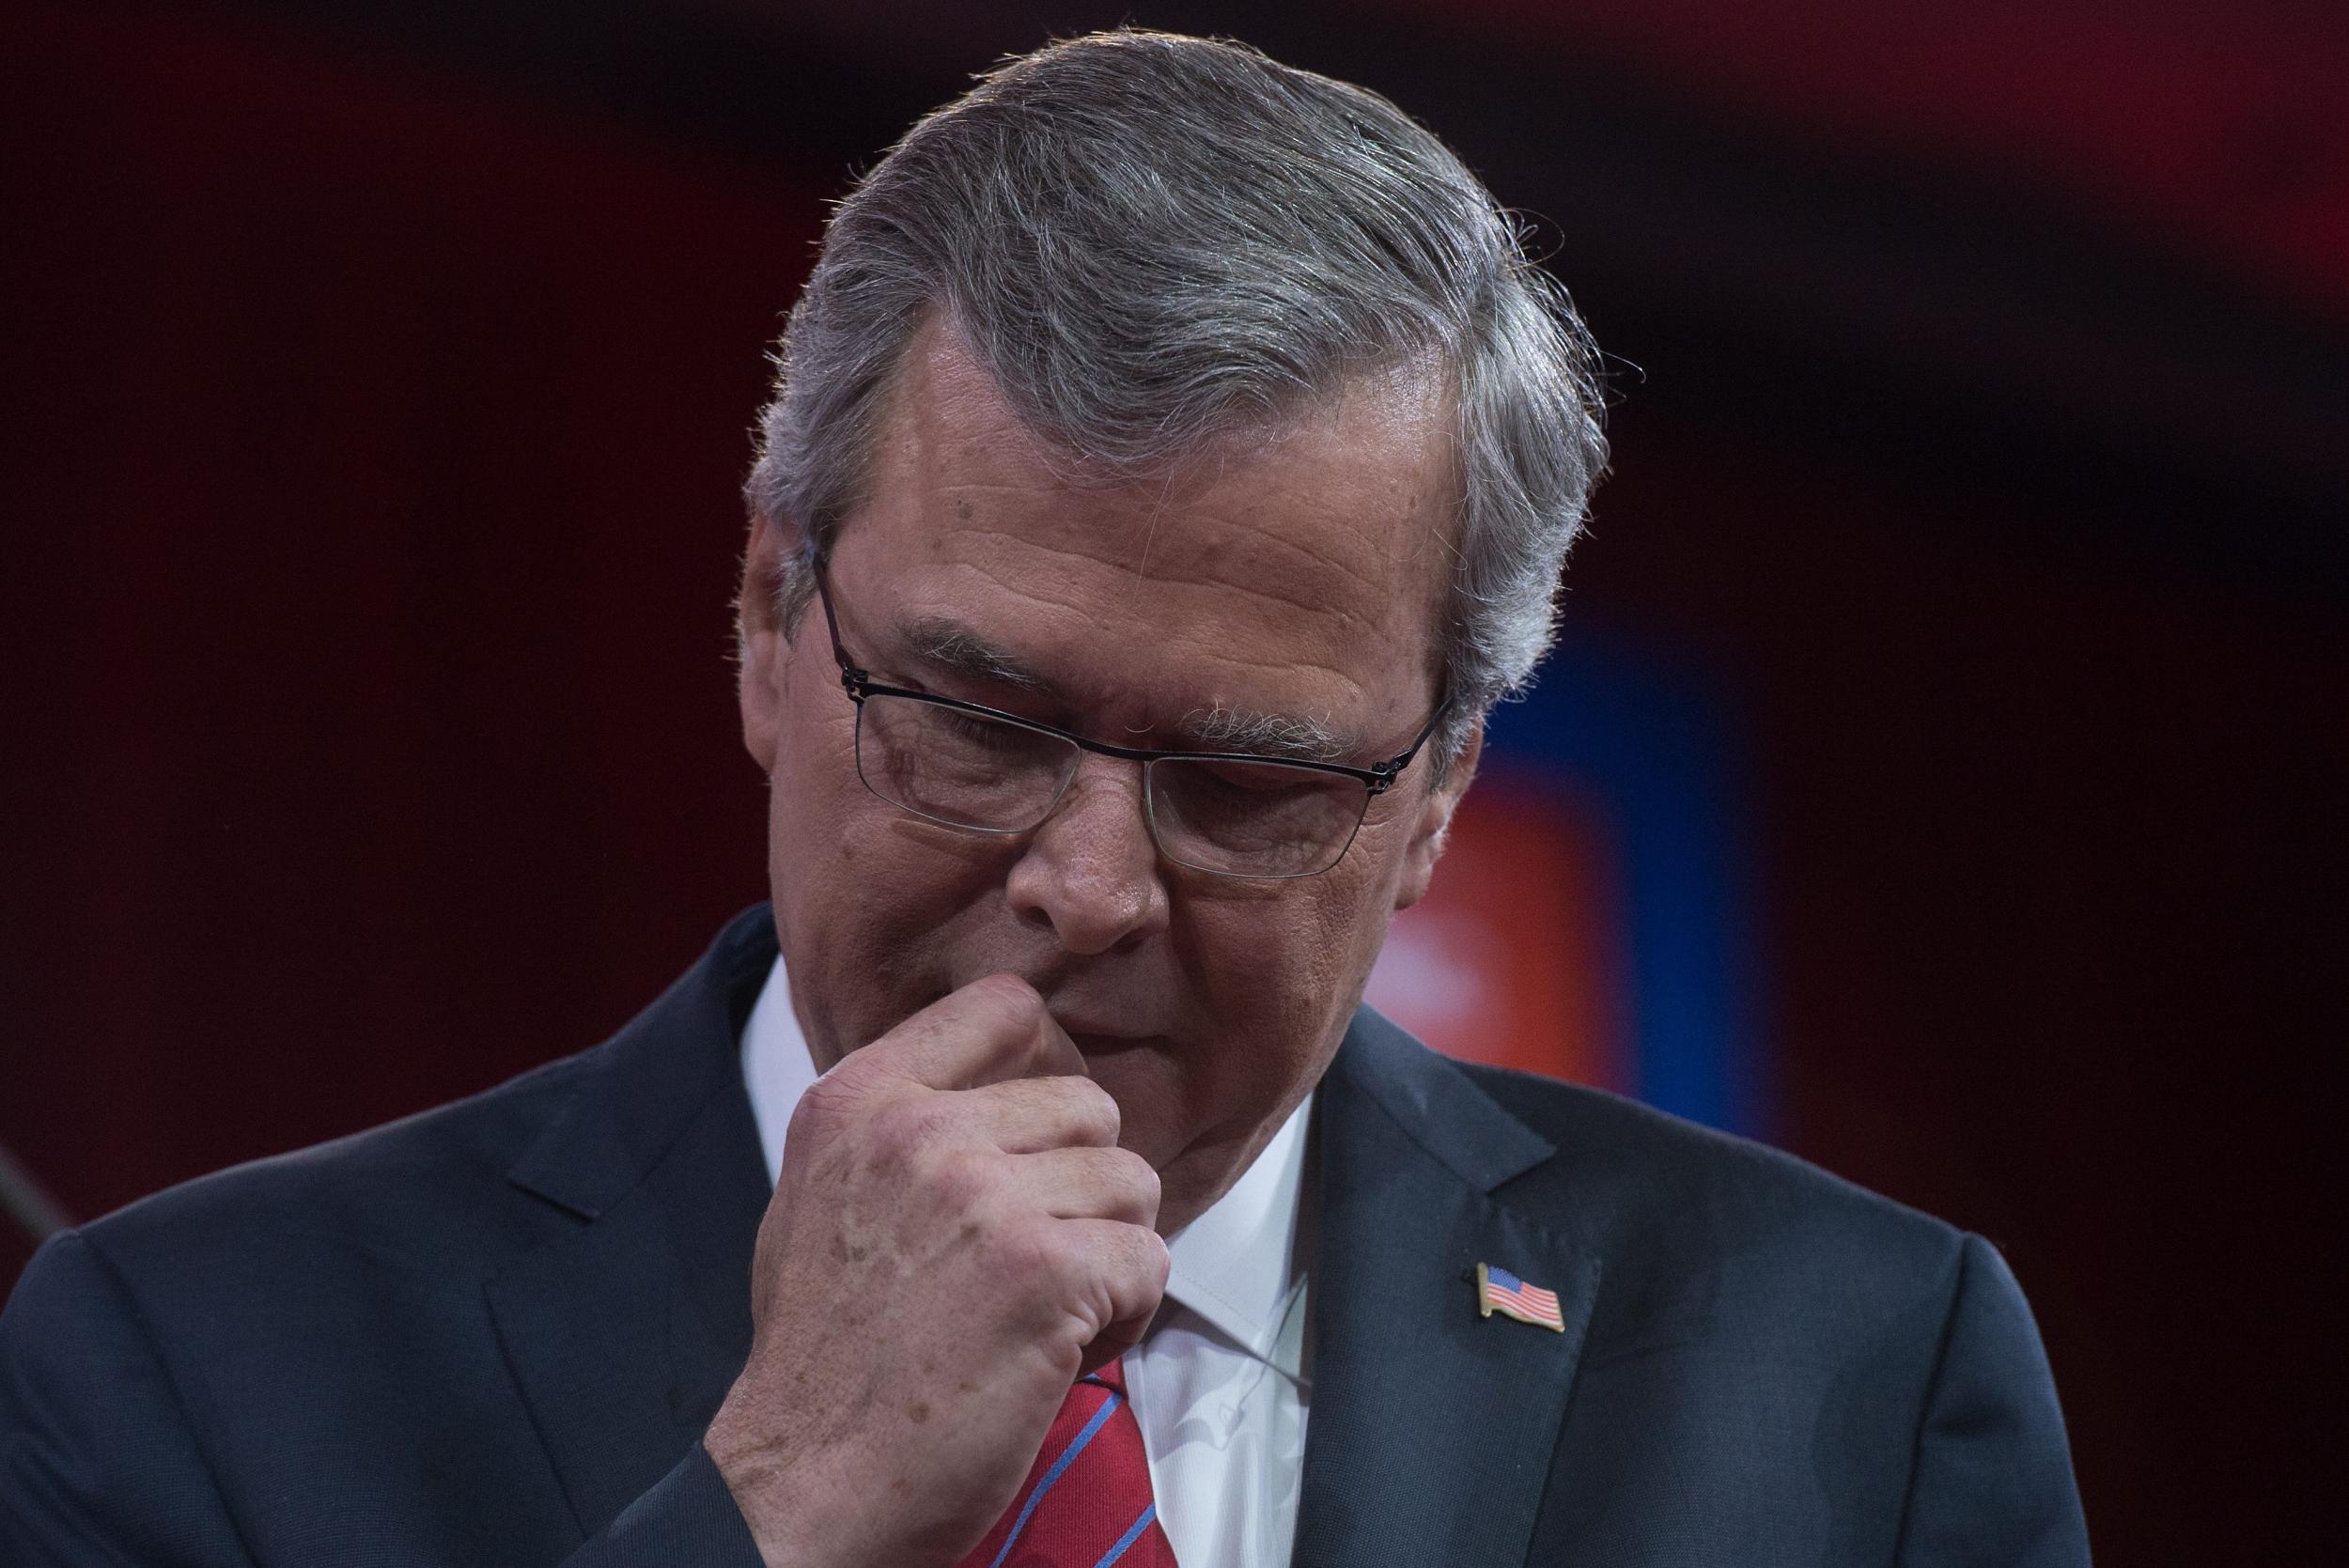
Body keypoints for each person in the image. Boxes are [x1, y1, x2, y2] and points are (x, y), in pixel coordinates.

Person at [0, 28, 2090, 1568]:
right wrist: (782, 1510)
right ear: (763, 618)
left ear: (1440, 786)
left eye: (1246, 780)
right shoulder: (193, 1369)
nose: (1087, 888)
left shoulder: (1850, 1381)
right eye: (978, 723)